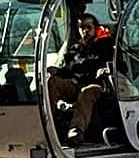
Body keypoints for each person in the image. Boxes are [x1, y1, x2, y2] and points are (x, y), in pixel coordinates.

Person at [47, 11, 115, 144]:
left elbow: (121, 66)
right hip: (76, 84)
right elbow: (69, 72)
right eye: (82, 28)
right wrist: (58, 71)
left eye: (88, 27)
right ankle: (49, 122)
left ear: (96, 28)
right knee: (53, 82)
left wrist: (107, 69)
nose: (85, 31)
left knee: (87, 92)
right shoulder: (75, 50)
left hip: (99, 86)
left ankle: (76, 132)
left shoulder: (106, 46)